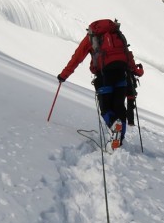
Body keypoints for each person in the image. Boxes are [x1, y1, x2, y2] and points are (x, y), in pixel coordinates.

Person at [58, 18, 144, 148]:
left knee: (105, 109)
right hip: (121, 73)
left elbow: (77, 57)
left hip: (104, 76)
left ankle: (115, 126)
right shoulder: (117, 34)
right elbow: (128, 55)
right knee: (119, 106)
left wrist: (64, 75)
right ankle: (119, 141)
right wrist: (137, 71)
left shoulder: (92, 37)